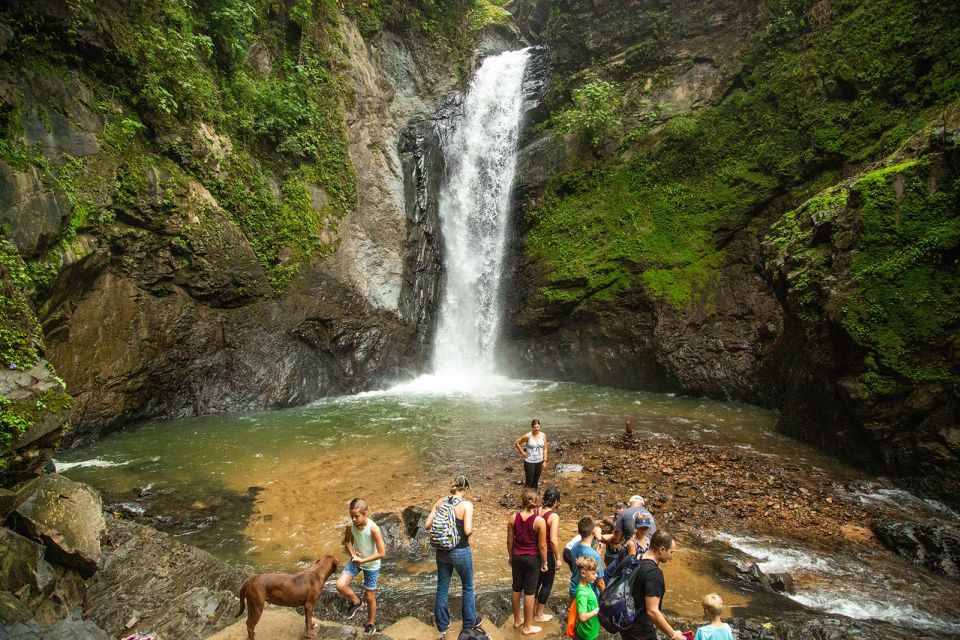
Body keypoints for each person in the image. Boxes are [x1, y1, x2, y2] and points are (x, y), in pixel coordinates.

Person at [425, 476, 482, 636]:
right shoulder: (466, 505)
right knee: (468, 587)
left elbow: (427, 525)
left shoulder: (440, 501)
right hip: (460, 551)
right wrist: (474, 528)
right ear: (466, 489)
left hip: (442, 550)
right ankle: (469, 625)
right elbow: (468, 530)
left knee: (442, 587)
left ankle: (442, 626)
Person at [336, 498, 385, 634]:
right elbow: (347, 542)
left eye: (356, 516)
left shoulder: (373, 529)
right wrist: (352, 553)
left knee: (369, 596)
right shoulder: (350, 526)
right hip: (356, 560)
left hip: (371, 565)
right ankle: (356, 601)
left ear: (365, 514)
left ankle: (371, 623)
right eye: (351, 516)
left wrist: (363, 561)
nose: (353, 519)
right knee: (340, 585)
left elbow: (382, 553)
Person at [622, 530, 682, 640]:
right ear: (662, 549)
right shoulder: (654, 574)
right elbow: (652, 611)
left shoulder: (634, 559)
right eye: (671, 552)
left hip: (625, 624)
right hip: (641, 631)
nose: (671, 556)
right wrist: (673, 635)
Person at [507, 487, 548, 635]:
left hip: (517, 556)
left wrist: (511, 557)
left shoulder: (513, 518)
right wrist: (544, 562)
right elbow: (542, 545)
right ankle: (527, 627)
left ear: (522, 501)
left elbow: (509, 541)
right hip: (532, 558)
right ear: (536, 502)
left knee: (516, 587)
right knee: (530, 592)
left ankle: (517, 620)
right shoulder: (539, 521)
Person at [535, 488, 561, 622]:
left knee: (535, 582)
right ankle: (539, 614)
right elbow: (553, 540)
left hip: (534, 553)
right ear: (556, 501)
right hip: (547, 553)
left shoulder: (535, 510)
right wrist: (558, 558)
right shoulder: (553, 516)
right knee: (547, 584)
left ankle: (531, 610)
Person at [567, 517, 606, 601]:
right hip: (588, 595)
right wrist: (606, 600)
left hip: (574, 589)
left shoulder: (574, 546)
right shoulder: (595, 556)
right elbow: (600, 583)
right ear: (593, 532)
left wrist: (596, 552)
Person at [515, 419, 548, 489]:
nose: (537, 429)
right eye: (535, 427)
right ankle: (525, 497)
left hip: (539, 461)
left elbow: (545, 449)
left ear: (540, 426)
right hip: (529, 461)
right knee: (529, 481)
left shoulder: (543, 435)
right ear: (532, 427)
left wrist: (545, 460)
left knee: (536, 481)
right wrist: (523, 452)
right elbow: (517, 443)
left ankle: (534, 498)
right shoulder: (528, 436)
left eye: (538, 427)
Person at [573, 556, 601, 640]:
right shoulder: (583, 593)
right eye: (593, 573)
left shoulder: (586, 584)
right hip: (587, 634)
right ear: (583, 573)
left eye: (596, 572)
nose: (596, 576)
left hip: (589, 629)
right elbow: (582, 617)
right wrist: (597, 610)